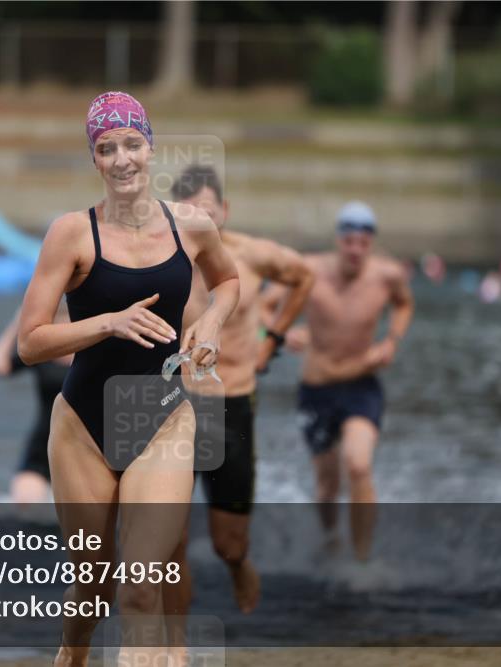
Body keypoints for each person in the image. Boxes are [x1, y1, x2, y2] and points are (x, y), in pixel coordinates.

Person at [16, 92, 240, 667]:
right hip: (82, 427)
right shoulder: (71, 234)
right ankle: (72, 654)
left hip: (162, 416)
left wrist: (211, 323)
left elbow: (228, 283)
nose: (121, 159)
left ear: (151, 148)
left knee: (141, 586)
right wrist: (107, 322)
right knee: (91, 589)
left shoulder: (190, 226)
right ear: (94, 158)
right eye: (106, 148)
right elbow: (30, 341)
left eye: (132, 144)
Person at [162, 165, 315, 623]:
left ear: (224, 211)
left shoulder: (250, 255)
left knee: (228, 542)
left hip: (231, 404)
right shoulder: (162, 258)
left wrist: (273, 338)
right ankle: (177, 648)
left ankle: (238, 566)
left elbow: (303, 277)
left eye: (208, 213)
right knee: (170, 541)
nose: (201, 222)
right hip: (172, 403)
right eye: (189, 214)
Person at [263, 201, 413, 562]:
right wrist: (281, 334)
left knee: (358, 464)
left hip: (362, 384)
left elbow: (404, 304)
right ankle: (330, 541)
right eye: (349, 242)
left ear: (371, 243)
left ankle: (362, 560)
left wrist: (391, 340)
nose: (355, 250)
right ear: (338, 240)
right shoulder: (310, 271)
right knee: (327, 485)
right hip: (316, 388)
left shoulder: (387, 276)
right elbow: (264, 305)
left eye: (363, 243)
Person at [0, 305, 72, 504]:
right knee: (25, 506)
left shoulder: (91, 357)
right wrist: (17, 324)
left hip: (84, 445)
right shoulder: (41, 355)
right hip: (43, 444)